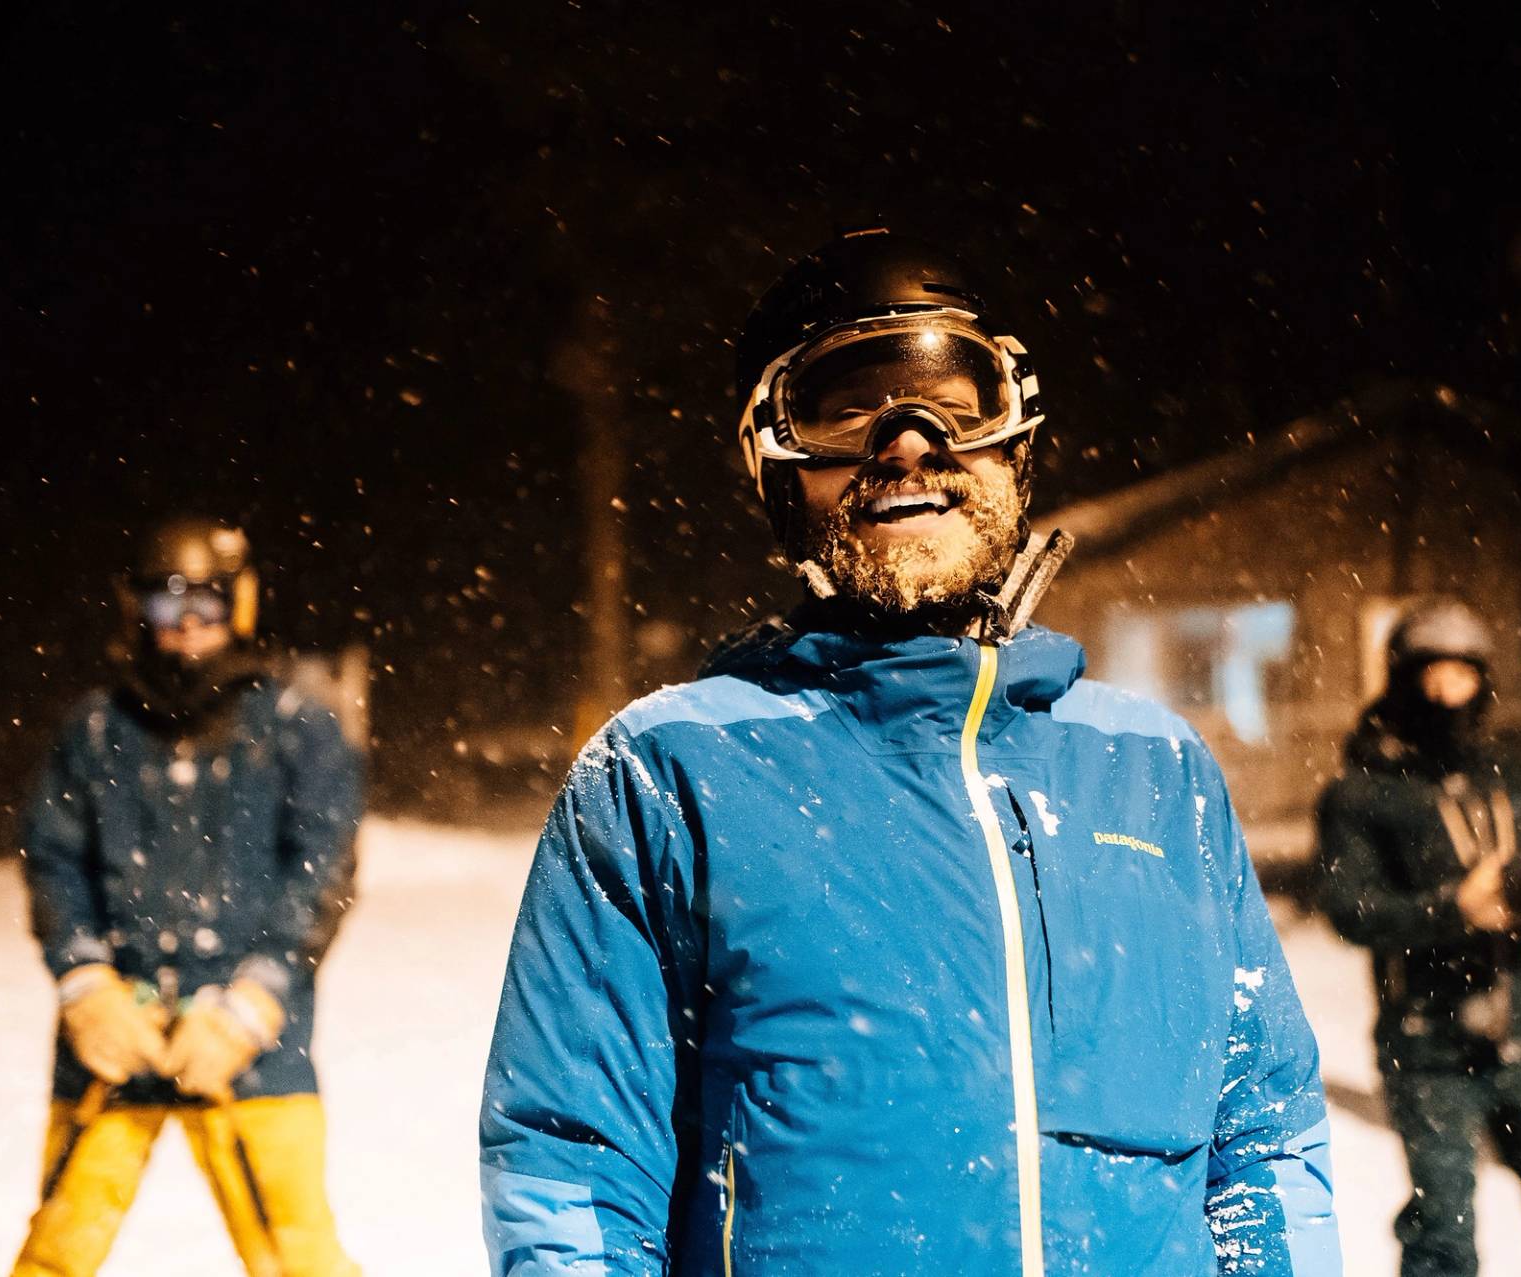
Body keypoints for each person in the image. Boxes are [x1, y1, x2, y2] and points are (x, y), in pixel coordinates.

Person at [479, 227, 1339, 1275]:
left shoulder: (1154, 768)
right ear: (776, 461)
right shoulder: (669, 775)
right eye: (845, 406)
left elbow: (1264, 1135)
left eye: (955, 399)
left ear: (1017, 441)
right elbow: (573, 1169)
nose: (909, 444)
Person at [13, 517, 362, 1277]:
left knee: (298, 1255)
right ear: (136, 609)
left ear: (239, 603)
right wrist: (85, 983)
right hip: (115, 1034)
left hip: (252, 1044)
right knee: (57, 1249)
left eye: (206, 599)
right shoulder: (96, 729)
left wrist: (254, 1001)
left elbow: (325, 871)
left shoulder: (295, 724)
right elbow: (53, 860)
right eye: (167, 604)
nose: (189, 623)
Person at [1317, 600, 1521, 1277]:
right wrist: (1452, 908)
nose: (1451, 694)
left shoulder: (1515, 775)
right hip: (1429, 1043)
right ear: (1404, 678)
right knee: (1444, 1230)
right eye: (1435, 676)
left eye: (1466, 676)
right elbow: (1350, 907)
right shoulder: (1366, 790)